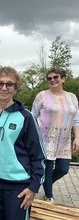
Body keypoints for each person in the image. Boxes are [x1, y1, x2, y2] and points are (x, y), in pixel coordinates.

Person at [0, 66, 46, 220]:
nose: (4, 87)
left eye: (9, 84)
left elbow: (38, 155)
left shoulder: (25, 117)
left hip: (18, 186)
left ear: (15, 88)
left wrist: (34, 187)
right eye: (0, 83)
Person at [31, 67, 79, 203]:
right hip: (45, 138)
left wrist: (77, 137)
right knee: (47, 169)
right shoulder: (42, 95)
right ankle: (49, 197)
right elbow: (32, 116)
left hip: (63, 140)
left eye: (56, 77)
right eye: (49, 78)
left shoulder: (72, 97)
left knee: (63, 169)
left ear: (63, 78)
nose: (52, 80)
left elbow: (76, 118)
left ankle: (43, 184)